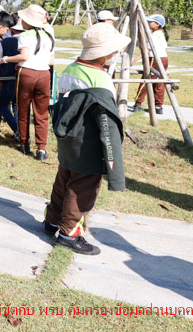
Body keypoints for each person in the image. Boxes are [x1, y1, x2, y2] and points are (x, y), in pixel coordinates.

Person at [44, 23, 128, 255]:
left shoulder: (70, 69)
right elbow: (106, 122)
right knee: (82, 188)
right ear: (104, 54)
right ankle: (69, 233)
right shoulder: (101, 80)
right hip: (88, 142)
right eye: (113, 51)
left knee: (64, 180)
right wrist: (113, 162)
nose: (115, 54)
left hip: (67, 137)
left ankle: (52, 220)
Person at [0, 4, 55, 160]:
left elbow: (24, 56)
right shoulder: (49, 35)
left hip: (27, 74)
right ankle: (42, 149)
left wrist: (6, 59)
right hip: (44, 74)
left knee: (23, 109)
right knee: (41, 112)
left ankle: (24, 143)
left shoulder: (25, 36)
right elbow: (51, 61)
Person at [130, 14, 169, 115]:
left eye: (150, 22)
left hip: (155, 59)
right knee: (159, 82)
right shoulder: (159, 34)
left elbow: (148, 50)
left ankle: (138, 103)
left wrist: (135, 60)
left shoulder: (154, 35)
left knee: (146, 80)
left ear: (157, 24)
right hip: (164, 59)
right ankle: (158, 106)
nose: (148, 23)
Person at [0, 14, 22, 140]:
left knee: (2, 104)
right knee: (17, 105)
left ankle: (16, 129)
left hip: (7, 78)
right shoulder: (31, 41)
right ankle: (21, 131)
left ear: (12, 30)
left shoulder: (6, 42)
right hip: (23, 78)